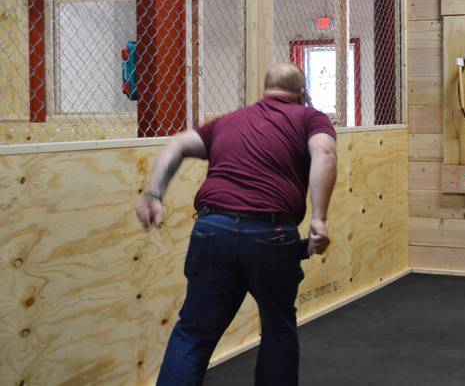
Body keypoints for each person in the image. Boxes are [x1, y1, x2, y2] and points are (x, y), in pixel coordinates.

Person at [134, 62, 338, 386]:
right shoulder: (309, 116)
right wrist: (319, 219)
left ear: (265, 90)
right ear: (302, 93)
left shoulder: (229, 121)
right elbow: (325, 151)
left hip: (212, 230)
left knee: (193, 333)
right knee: (277, 329)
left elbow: (176, 143)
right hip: (271, 235)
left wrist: (155, 193)